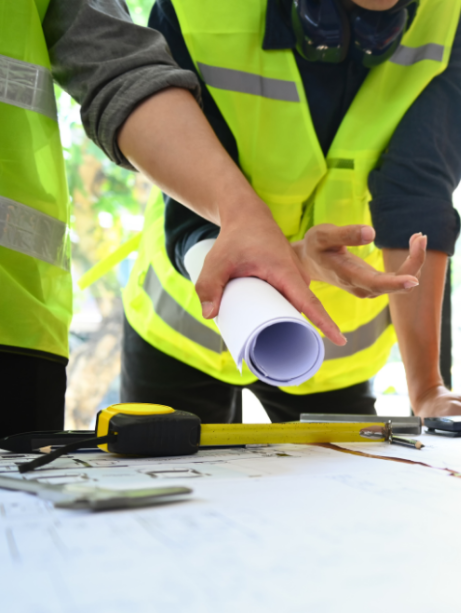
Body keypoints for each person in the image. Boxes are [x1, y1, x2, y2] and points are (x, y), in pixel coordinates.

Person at [1, 0, 394, 439]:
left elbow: (117, 66)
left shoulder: (438, 23)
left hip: (14, 319)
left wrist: (242, 216)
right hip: (177, 319)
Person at [120, 0, 461, 423]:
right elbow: (177, 153)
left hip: (327, 344)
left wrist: (428, 389)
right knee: (166, 479)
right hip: (185, 318)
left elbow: (418, 192)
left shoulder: (445, 11)